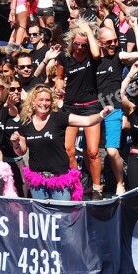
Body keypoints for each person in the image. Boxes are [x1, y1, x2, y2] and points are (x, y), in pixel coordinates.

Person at [11, 86, 112, 201]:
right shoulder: (26, 123)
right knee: (43, 218)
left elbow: (87, 121)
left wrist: (101, 115)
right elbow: (21, 151)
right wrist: (15, 143)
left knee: (63, 217)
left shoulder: (59, 118)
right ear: (33, 101)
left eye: (47, 100)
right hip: (37, 181)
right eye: (41, 100)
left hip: (60, 180)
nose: (44, 103)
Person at [95, 22, 138, 195]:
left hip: (114, 108)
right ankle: (96, 184)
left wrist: (135, 27)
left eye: (115, 40)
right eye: (109, 42)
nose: (113, 44)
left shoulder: (118, 55)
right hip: (93, 110)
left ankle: (120, 183)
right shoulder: (93, 59)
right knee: (91, 151)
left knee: (111, 150)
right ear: (99, 42)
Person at [55, 22, 104, 199]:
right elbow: (59, 77)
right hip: (70, 107)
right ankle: (77, 186)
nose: (81, 47)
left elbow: (97, 52)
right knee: (68, 150)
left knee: (92, 151)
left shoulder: (92, 55)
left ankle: (97, 188)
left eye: (84, 44)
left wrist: (89, 32)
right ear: (71, 42)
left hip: (91, 105)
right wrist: (59, 88)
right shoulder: (64, 57)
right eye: (77, 44)